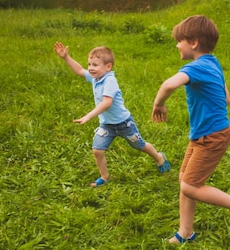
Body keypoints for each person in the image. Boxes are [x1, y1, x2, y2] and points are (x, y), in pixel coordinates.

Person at [152, 15, 230, 243]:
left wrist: (159, 104)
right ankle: (185, 232)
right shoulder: (212, 62)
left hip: (211, 136)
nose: (176, 45)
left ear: (194, 42)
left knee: (190, 186)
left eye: (179, 40)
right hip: (203, 134)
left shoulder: (196, 66)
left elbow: (169, 84)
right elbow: (226, 97)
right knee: (185, 180)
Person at [54, 42, 170, 187]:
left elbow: (107, 102)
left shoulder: (110, 81)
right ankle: (105, 176)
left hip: (124, 123)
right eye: (89, 64)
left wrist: (89, 116)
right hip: (107, 125)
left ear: (108, 67)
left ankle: (159, 158)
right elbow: (79, 70)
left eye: (95, 65)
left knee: (139, 145)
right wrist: (66, 57)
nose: (90, 68)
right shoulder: (96, 78)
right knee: (97, 150)